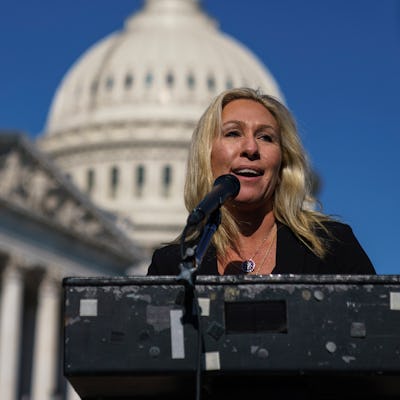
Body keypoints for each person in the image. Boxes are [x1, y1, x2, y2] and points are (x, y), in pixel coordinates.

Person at [147, 87, 375, 276]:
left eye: (265, 137)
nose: (251, 148)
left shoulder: (331, 246)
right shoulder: (171, 265)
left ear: (283, 162)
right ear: (206, 156)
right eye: (233, 133)